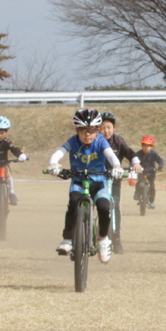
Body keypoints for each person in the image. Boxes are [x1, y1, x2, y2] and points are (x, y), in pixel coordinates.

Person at [47, 108, 125, 263]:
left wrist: (117, 167)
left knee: (104, 207)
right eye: (82, 130)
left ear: (97, 130)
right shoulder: (73, 141)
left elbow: (111, 155)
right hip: (78, 181)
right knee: (73, 203)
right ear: (77, 130)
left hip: (98, 182)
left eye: (91, 130)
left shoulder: (101, 141)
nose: (87, 134)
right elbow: (59, 152)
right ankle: (68, 239)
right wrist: (53, 164)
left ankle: (103, 239)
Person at [97, 110, 141, 254]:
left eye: (108, 127)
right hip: (97, 178)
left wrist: (136, 163)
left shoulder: (119, 142)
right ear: (97, 128)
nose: (105, 131)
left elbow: (130, 153)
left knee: (115, 206)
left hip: (114, 179)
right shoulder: (94, 141)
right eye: (102, 127)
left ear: (114, 128)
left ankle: (116, 239)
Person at [133, 136, 163, 208]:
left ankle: (151, 201)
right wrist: (133, 166)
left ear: (151, 146)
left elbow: (160, 160)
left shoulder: (154, 154)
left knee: (152, 185)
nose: (146, 147)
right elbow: (133, 160)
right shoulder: (139, 153)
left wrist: (160, 167)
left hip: (151, 171)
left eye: (148, 146)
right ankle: (137, 192)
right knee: (140, 181)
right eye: (144, 145)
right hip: (141, 171)